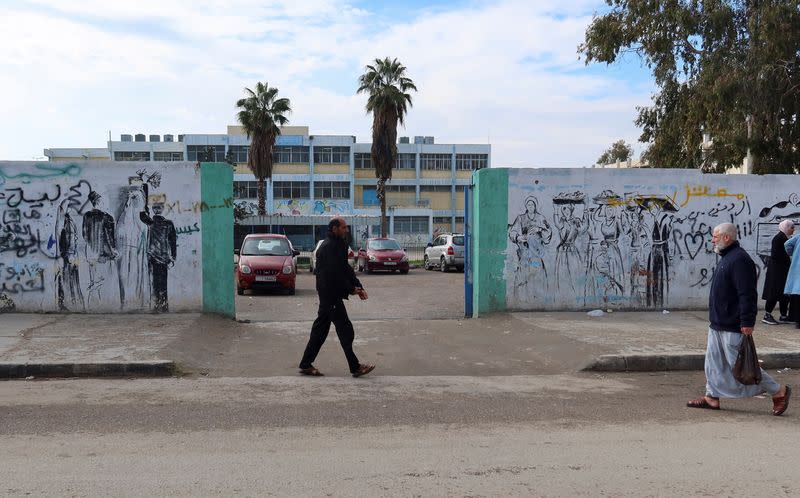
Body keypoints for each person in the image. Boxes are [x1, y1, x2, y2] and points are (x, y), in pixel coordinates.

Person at [687, 223, 791, 415]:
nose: (712, 240)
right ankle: (711, 397)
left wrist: (747, 321)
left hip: (732, 325)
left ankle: (779, 391)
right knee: (713, 363)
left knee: (743, 366)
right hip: (718, 323)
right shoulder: (728, 257)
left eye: (715, 236)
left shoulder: (740, 260)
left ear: (727, 238)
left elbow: (747, 294)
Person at [299, 217, 375, 378]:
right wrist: (350, 289)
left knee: (320, 330)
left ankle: (306, 364)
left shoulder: (339, 244)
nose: (346, 230)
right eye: (343, 227)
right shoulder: (328, 247)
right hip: (329, 294)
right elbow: (334, 274)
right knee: (345, 329)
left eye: (346, 227)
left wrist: (358, 286)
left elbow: (345, 268)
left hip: (331, 294)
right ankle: (355, 367)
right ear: (334, 228)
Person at [762, 220, 794, 324]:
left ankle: (783, 315)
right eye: (791, 227)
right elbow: (776, 255)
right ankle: (767, 314)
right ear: (786, 227)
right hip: (777, 271)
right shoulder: (779, 238)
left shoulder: (783, 237)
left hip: (782, 271)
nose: (793, 229)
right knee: (774, 292)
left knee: (784, 293)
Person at [783, 226, 800, 329]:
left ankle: (797, 321)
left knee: (797, 296)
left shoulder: (798, 237)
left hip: (797, 268)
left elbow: (787, 244)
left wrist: (791, 253)